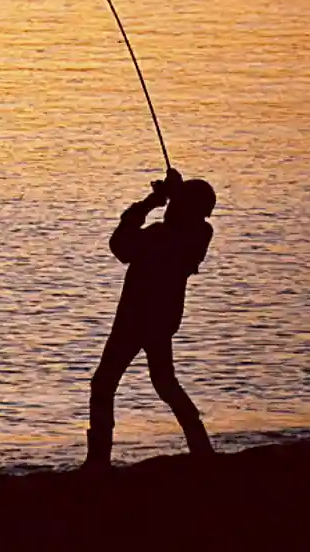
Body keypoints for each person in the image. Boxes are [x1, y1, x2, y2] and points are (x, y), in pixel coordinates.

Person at [86, 167, 218, 470]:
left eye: (177, 203)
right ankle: (201, 447)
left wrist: (152, 202)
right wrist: (169, 197)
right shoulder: (199, 234)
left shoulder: (164, 236)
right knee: (164, 383)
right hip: (161, 322)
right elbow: (180, 224)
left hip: (135, 321)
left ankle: (98, 461)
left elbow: (119, 245)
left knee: (104, 384)